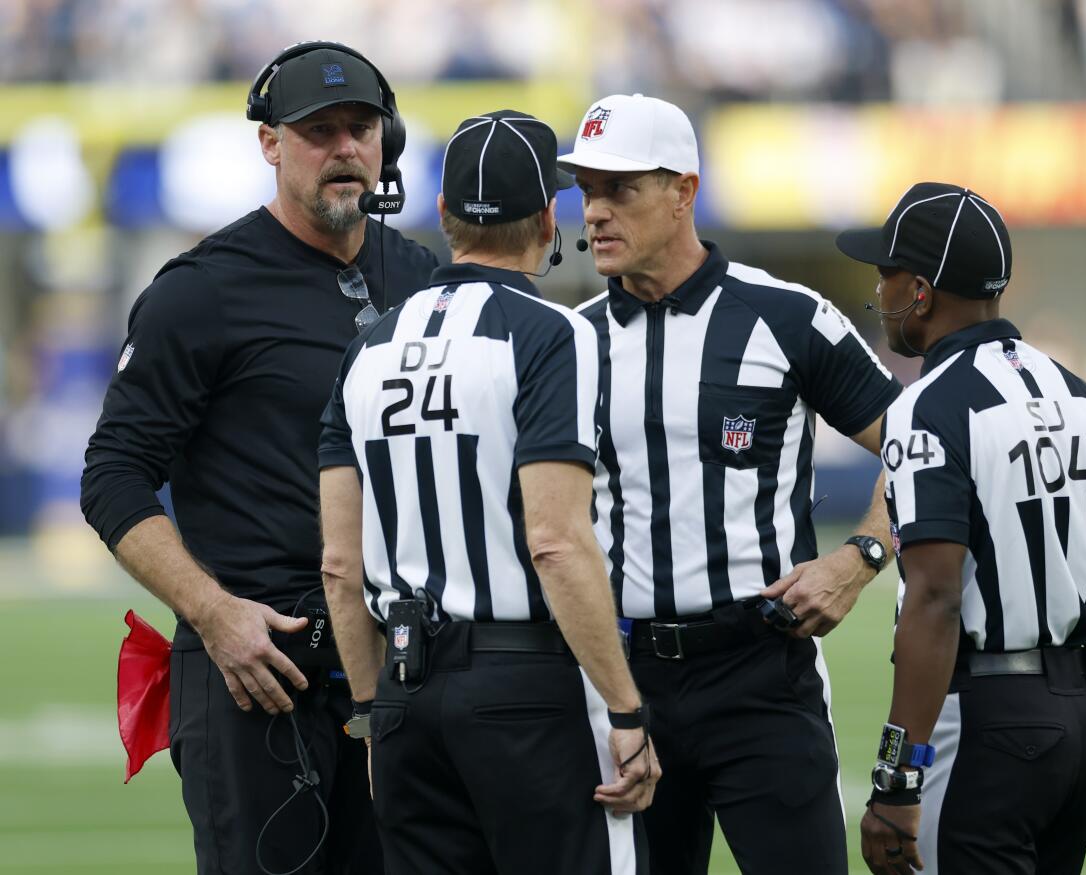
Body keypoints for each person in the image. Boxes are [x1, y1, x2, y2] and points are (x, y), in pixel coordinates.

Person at [80, 41, 437, 875]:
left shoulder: (422, 277)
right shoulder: (202, 290)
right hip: (258, 671)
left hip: (395, 671)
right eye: (319, 131)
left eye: (361, 127)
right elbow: (113, 475)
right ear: (271, 144)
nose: (345, 147)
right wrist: (212, 611)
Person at [558, 93, 903, 875]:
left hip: (761, 669)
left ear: (684, 190)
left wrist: (861, 555)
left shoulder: (785, 316)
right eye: (587, 189)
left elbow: (929, 445)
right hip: (624, 682)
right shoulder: (568, 340)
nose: (598, 212)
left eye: (622, 188)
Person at [317, 109, 661, 875]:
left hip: (406, 688)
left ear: (442, 217)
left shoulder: (366, 348)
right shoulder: (553, 332)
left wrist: (374, 712)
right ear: (548, 219)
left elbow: (340, 565)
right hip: (523, 684)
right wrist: (627, 706)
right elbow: (556, 539)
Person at [838, 182, 1086, 875]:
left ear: (922, 292)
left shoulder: (926, 408)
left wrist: (896, 780)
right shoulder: (1084, 397)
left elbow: (934, 598)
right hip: (1079, 720)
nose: (880, 287)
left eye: (889, 273)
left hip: (986, 720)